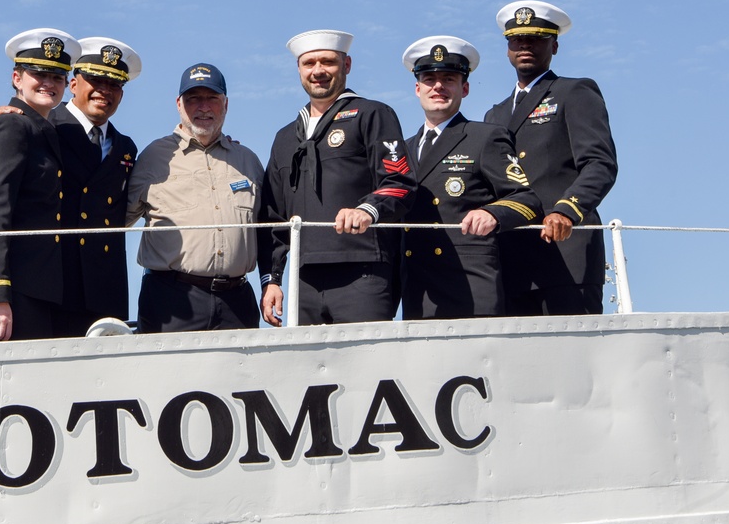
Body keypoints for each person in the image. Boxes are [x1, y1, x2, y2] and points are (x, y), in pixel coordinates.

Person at [0, 36, 140, 336]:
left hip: (92, 292)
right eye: (95, 79)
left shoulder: (126, 148)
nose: (104, 90)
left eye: (114, 84)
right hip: (39, 282)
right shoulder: (34, 124)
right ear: (75, 84)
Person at [259, 29, 417, 326]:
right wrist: (273, 279)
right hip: (303, 279)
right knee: (307, 370)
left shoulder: (373, 115)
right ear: (299, 70)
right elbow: (273, 216)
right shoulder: (284, 138)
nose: (318, 71)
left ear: (346, 66)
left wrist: (367, 209)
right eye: (309, 64)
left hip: (363, 273)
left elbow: (401, 183)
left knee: (368, 367)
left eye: (328, 62)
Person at [483, 1, 618, 315]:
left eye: (536, 38)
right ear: (507, 49)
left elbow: (599, 163)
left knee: (572, 357)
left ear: (554, 45)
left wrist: (567, 210)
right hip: (511, 257)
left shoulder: (574, 92)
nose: (525, 45)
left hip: (565, 249)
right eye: (517, 40)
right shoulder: (494, 115)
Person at [0, 28, 79, 342]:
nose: (49, 82)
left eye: (58, 76)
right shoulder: (10, 124)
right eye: (39, 73)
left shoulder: (42, 131)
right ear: (17, 78)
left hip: (28, 287)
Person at [400, 35, 543, 319]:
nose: (438, 86)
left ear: (464, 88)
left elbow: (527, 199)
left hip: (469, 287)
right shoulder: (401, 149)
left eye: (449, 79)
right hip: (417, 289)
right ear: (417, 89)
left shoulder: (485, 137)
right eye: (429, 79)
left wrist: (493, 213)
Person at [126, 63, 264, 332]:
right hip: (172, 301)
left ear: (226, 104)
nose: (203, 107)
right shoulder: (153, 158)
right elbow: (113, 220)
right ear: (179, 104)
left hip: (238, 302)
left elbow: (270, 229)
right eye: (193, 99)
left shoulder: (247, 160)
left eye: (212, 98)